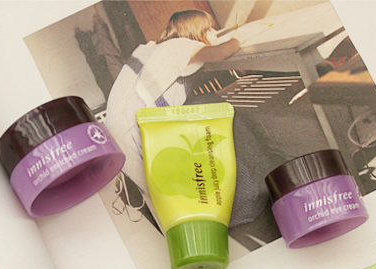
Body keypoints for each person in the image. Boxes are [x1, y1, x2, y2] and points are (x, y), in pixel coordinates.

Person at [105, 10, 267, 229]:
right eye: (209, 29)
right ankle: (233, 209)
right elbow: (221, 53)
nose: (215, 32)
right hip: (135, 131)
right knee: (166, 197)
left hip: (118, 130)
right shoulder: (181, 46)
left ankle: (200, 223)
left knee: (160, 198)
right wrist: (241, 36)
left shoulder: (154, 49)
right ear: (195, 31)